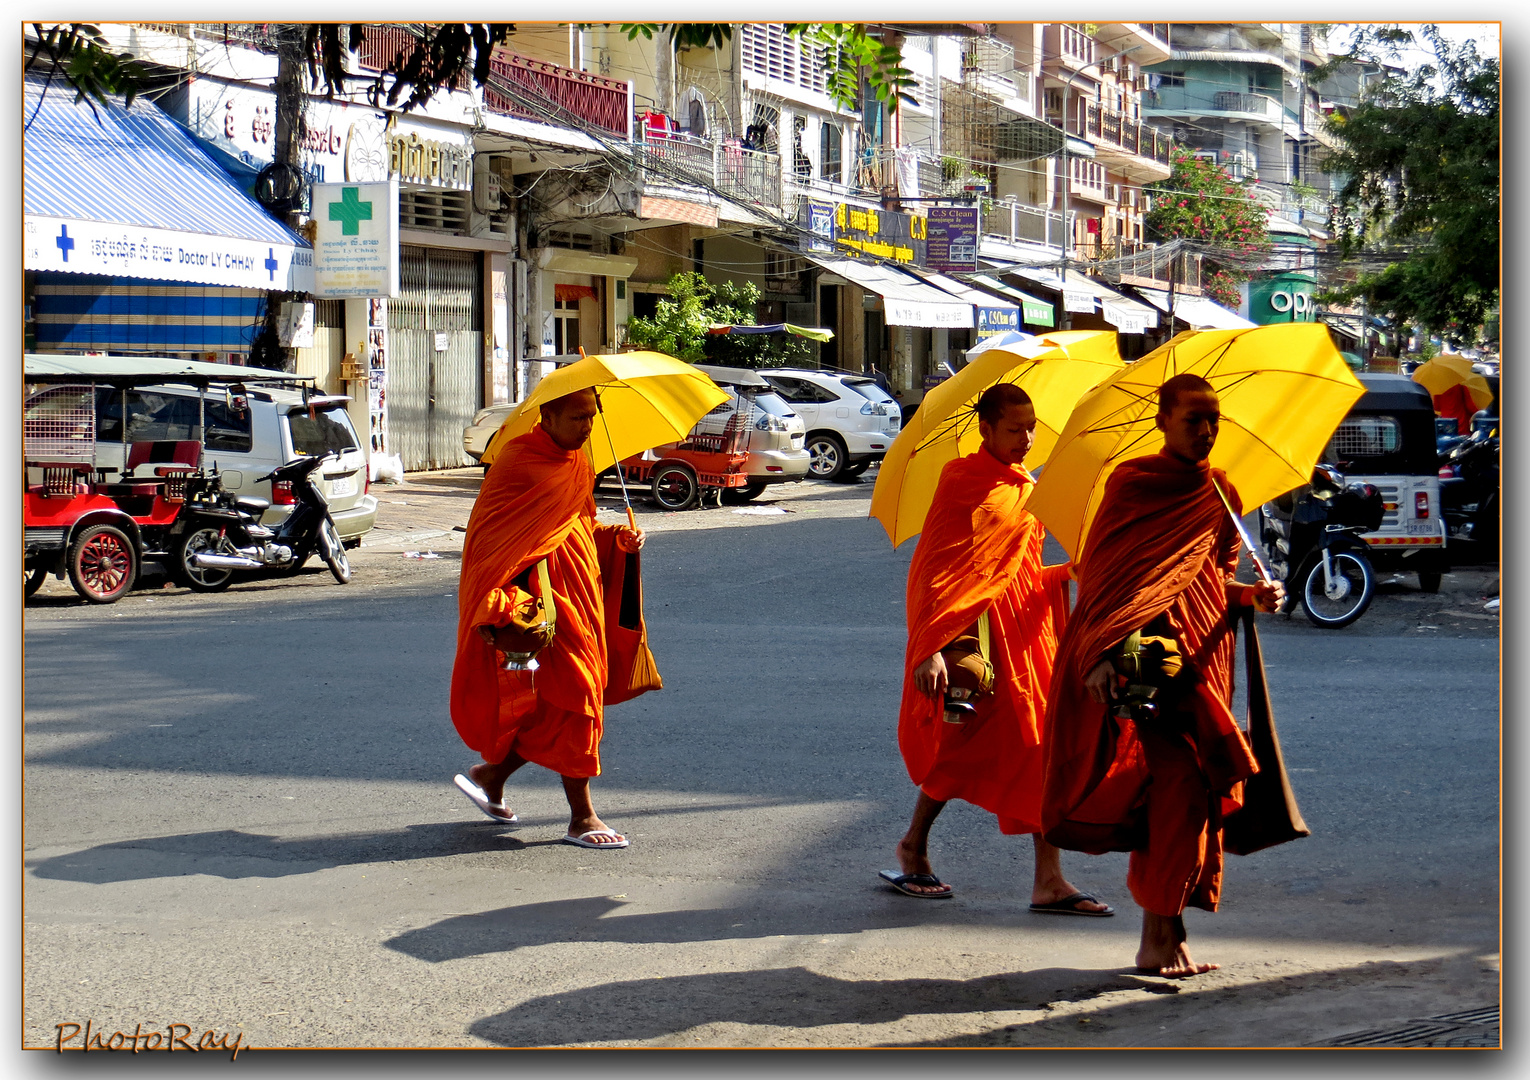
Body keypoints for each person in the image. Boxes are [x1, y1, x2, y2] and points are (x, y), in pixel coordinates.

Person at [1041, 373, 1284, 976]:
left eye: (1213, 421)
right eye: (1192, 420)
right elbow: (1102, 575)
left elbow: (1213, 581)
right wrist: (1097, 653)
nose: (1205, 432)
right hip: (1144, 661)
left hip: (1200, 659)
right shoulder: (1133, 484)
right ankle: (1158, 937)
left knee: (1192, 792)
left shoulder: (1221, 492)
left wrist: (1253, 595)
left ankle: (1165, 935)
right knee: (1177, 785)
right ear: (1162, 423)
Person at [885, 383, 1112, 916]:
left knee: (1040, 748)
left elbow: (1020, 570)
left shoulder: (1023, 484)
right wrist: (929, 646)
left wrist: (1067, 572)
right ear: (986, 429)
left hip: (1028, 636)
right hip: (979, 636)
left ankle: (1049, 879)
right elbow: (934, 571)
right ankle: (914, 844)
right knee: (960, 751)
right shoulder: (962, 481)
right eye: (1015, 429)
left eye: (1032, 427)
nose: (1028, 439)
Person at [449, 388, 644, 849]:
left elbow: (578, 525)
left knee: (562, 701)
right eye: (577, 417)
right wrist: (503, 602)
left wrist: (617, 537)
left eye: (592, 417)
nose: (587, 427)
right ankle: (582, 817)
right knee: (579, 692)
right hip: (544, 601)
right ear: (548, 417)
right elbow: (492, 541)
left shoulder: (579, 463)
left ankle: (491, 775)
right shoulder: (518, 462)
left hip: (581, 591)